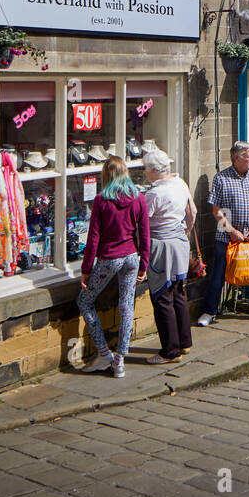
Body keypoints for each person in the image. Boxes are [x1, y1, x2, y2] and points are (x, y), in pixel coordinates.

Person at [78, 156, 149, 378]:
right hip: (131, 257)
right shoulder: (139, 198)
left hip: (109, 258)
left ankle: (103, 352)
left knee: (84, 301)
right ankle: (120, 361)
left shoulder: (101, 200)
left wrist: (86, 269)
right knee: (127, 306)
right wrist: (143, 264)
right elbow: (145, 235)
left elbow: (94, 237)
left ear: (106, 175)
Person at [200, 141, 249, 326]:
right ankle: (209, 311)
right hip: (226, 237)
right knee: (218, 275)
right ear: (236, 158)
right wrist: (231, 231)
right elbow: (216, 210)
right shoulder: (221, 178)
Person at [141, 149, 195, 364]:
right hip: (180, 244)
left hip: (161, 247)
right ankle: (184, 342)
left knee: (162, 296)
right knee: (178, 292)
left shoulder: (154, 194)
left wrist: (140, 251)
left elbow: (142, 225)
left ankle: (169, 351)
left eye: (145, 169)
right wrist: (185, 232)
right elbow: (193, 212)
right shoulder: (180, 184)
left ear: (154, 170)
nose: (145, 173)